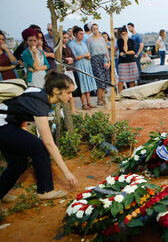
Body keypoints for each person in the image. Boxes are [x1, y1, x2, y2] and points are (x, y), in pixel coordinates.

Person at [0, 70, 79, 203]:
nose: (71, 96)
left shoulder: (38, 94)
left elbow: (19, 110)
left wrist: (22, 132)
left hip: (6, 125)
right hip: (2, 126)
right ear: (56, 90)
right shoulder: (40, 103)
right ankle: (45, 191)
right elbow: (48, 143)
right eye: (68, 92)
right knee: (40, 147)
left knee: (18, 162)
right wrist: (67, 173)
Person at [68, 26, 97, 110]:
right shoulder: (72, 44)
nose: (82, 36)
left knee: (88, 83)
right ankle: (84, 104)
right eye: (80, 34)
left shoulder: (84, 43)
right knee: (82, 84)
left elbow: (88, 53)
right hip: (79, 66)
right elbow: (73, 57)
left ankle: (89, 102)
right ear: (75, 34)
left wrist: (88, 56)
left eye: (83, 34)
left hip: (87, 64)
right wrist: (84, 55)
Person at [88, 23, 111, 107]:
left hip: (103, 59)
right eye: (94, 29)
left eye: (97, 28)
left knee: (104, 80)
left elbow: (106, 50)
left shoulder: (102, 39)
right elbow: (88, 51)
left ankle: (103, 98)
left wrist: (108, 61)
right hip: (95, 60)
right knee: (99, 79)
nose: (95, 30)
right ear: (91, 30)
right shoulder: (89, 40)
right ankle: (99, 99)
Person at [117, 26, 139, 93]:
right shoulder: (119, 41)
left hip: (131, 61)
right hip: (122, 62)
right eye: (122, 34)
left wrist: (125, 52)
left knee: (132, 80)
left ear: (127, 33)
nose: (124, 35)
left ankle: (131, 94)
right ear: (121, 34)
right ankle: (119, 94)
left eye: (125, 34)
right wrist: (125, 41)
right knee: (121, 80)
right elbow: (124, 49)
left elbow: (133, 51)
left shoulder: (132, 41)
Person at [62, 31, 78, 113]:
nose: (65, 39)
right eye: (64, 38)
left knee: (71, 90)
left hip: (70, 70)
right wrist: (66, 60)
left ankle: (73, 109)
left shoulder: (67, 47)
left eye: (67, 38)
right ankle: (67, 111)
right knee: (65, 90)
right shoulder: (59, 48)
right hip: (64, 71)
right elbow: (60, 59)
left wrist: (71, 59)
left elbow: (74, 57)